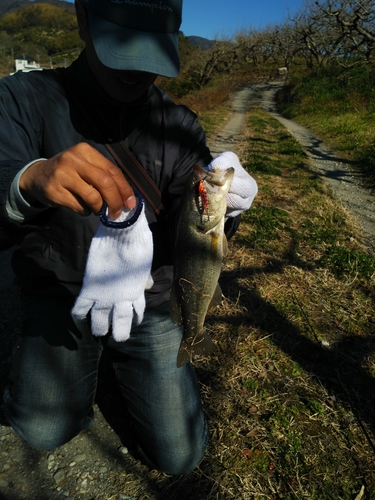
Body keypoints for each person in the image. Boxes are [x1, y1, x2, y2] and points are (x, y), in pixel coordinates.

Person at [0, 0, 257, 475]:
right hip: (61, 293)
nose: (138, 70)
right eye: (123, 45)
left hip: (152, 298)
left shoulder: (178, 125)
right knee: (40, 428)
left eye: (151, 52)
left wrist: (229, 206)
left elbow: (194, 223)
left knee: (180, 457)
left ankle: (129, 367)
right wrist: (28, 181)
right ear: (82, 19)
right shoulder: (22, 98)